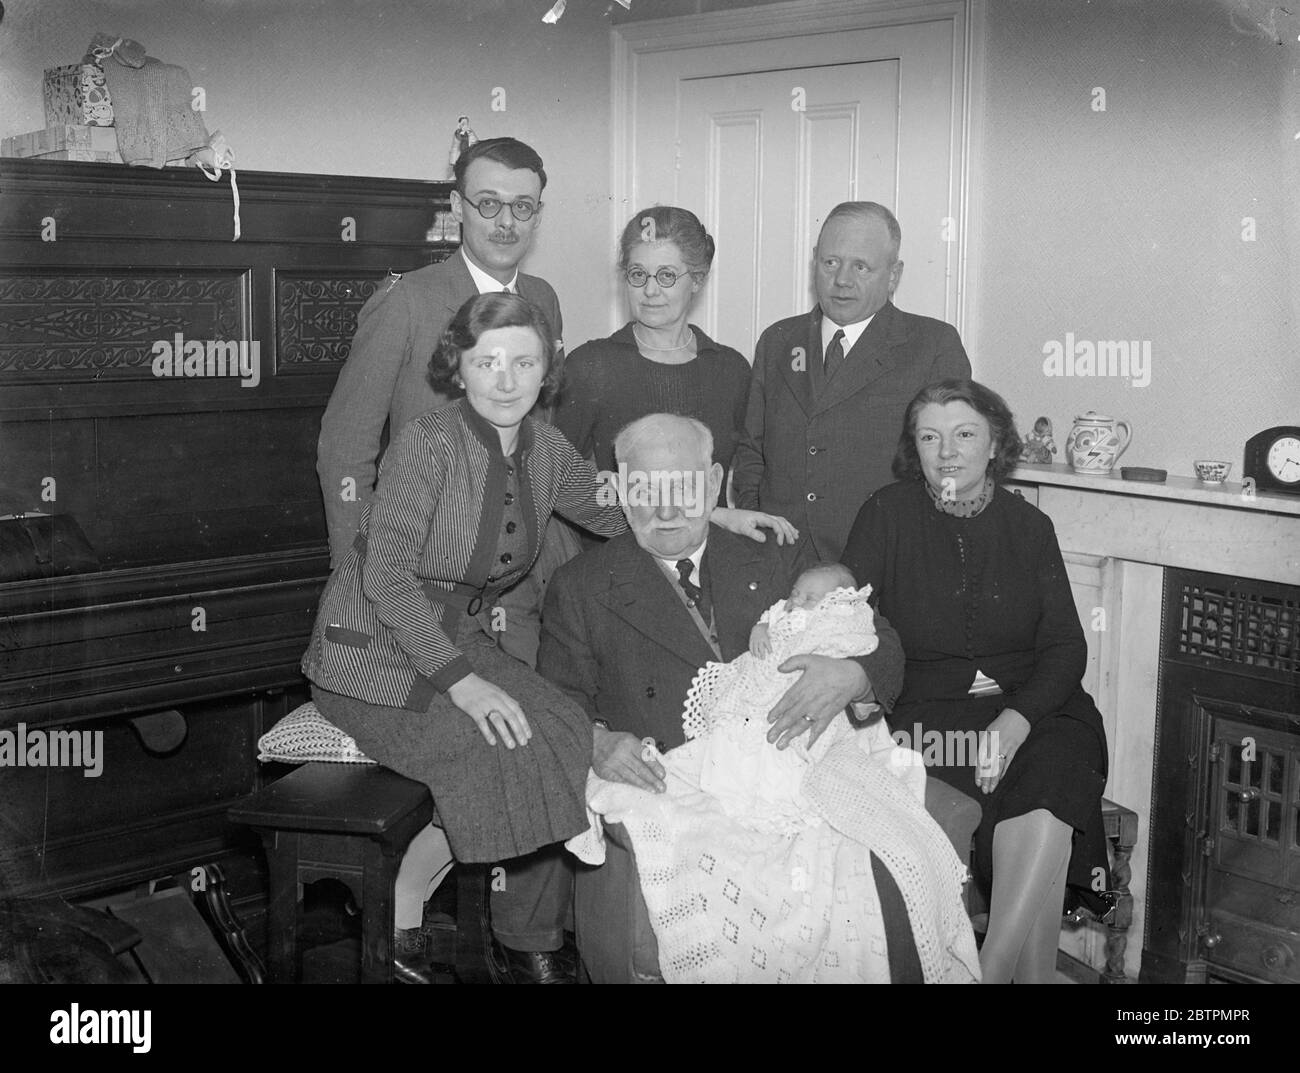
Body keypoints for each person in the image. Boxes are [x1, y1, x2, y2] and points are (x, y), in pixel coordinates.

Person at [304, 296, 797, 984]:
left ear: (546, 369)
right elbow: (386, 578)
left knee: (567, 725)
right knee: (497, 742)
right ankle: (414, 912)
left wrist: (714, 514)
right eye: (487, 362)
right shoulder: (426, 442)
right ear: (460, 367)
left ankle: (519, 929)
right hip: (373, 650)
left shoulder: (544, 447)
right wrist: (464, 682)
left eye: (524, 362)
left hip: (459, 635)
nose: (506, 380)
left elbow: (614, 508)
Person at [539, 413, 967, 983]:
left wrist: (854, 674)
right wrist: (595, 741)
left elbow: (875, 630)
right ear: (617, 490)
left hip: (802, 778)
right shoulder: (582, 586)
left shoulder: (776, 557)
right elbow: (556, 702)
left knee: (889, 874)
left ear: (715, 484)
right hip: (695, 794)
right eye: (644, 489)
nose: (666, 511)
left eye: (685, 487)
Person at [840, 379, 1111, 984]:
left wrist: (1016, 721)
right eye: (929, 437)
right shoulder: (885, 514)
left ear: (994, 445)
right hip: (926, 712)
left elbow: (1066, 646)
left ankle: (987, 972)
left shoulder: (1029, 526)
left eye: (965, 435)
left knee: (1059, 762)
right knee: (1043, 807)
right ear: (915, 447)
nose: (947, 451)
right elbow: (849, 625)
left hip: (1034, 706)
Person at [316, 136, 568, 669]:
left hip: (516, 583)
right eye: (489, 203)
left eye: (522, 207)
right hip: (423, 579)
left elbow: (540, 438)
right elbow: (345, 449)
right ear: (457, 207)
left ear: (537, 215)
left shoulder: (543, 300)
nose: (506, 223)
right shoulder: (405, 302)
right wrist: (362, 578)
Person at [732, 201, 971, 562]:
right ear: (815, 261)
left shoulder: (932, 344)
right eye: (831, 263)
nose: (842, 280)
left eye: (861, 266)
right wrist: (759, 529)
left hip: (881, 564)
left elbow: (950, 463)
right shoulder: (778, 340)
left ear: (893, 275)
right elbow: (753, 449)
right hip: (779, 561)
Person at [554, 206, 750, 498]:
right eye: (638, 274)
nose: (650, 290)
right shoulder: (591, 366)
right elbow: (559, 483)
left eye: (667, 276)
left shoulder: (730, 370)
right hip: (615, 542)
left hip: (708, 544)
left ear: (697, 279)